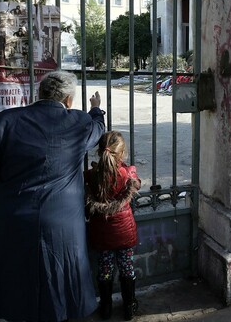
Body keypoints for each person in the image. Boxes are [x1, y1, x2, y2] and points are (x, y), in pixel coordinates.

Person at [0, 70, 106, 322]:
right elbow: (97, 129)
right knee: (62, 280)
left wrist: (5, 184)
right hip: (62, 222)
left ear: (39, 94)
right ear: (68, 101)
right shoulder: (78, 122)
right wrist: (96, 109)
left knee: (18, 280)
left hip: (14, 217)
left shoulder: (8, 120)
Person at [85, 131, 141, 321]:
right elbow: (137, 183)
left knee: (105, 269)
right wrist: (128, 168)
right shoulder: (127, 173)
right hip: (124, 233)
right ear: (122, 153)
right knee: (127, 267)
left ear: (99, 151)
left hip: (102, 234)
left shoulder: (91, 176)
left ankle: (106, 307)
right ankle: (129, 306)